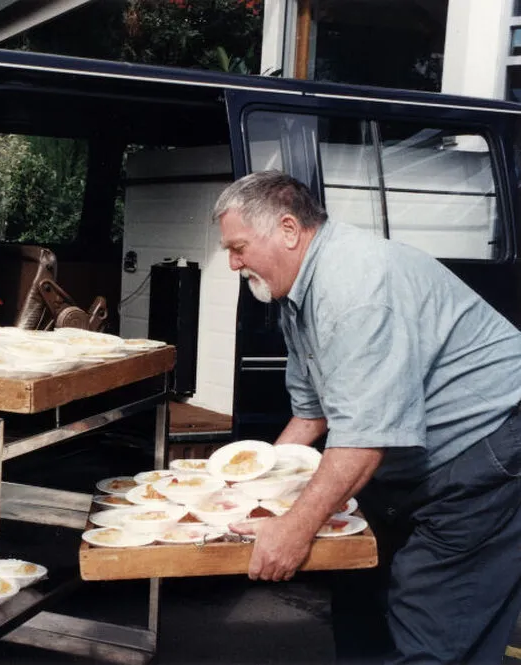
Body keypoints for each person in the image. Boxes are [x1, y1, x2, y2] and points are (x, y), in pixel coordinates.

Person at [212, 170, 521, 664]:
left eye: (239, 247)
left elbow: (363, 441)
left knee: (432, 633)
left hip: (485, 453)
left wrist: (293, 529)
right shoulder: (298, 291)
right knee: (362, 603)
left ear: (289, 230)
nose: (232, 263)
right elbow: (312, 414)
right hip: (411, 463)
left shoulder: (356, 286)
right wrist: (255, 493)